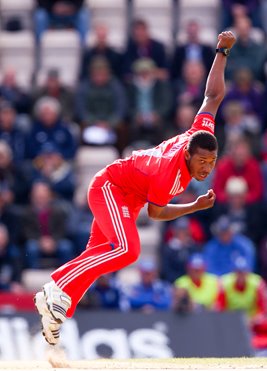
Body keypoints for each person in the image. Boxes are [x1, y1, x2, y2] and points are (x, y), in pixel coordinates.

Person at [34, 31, 236, 345]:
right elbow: (156, 212)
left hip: (127, 195)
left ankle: (54, 314)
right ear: (186, 155)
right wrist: (193, 207)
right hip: (110, 188)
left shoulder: (200, 132)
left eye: (212, 162)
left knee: (99, 253)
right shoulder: (168, 174)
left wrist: (221, 52)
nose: (207, 168)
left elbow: (212, 97)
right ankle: (56, 285)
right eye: (202, 162)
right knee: (128, 250)